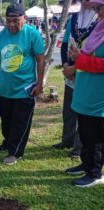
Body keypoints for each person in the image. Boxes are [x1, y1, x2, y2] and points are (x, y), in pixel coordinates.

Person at [0, 3, 45, 165]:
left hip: (25, 89)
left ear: (24, 19)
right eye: (8, 20)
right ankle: (8, 142)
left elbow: (40, 60)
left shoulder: (32, 34)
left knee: (20, 123)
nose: (12, 24)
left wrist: (39, 84)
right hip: (6, 89)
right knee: (6, 122)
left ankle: (15, 152)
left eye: (16, 20)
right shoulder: (0, 37)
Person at [66, 0, 104, 187]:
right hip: (85, 91)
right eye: (95, 9)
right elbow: (91, 57)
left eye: (100, 8)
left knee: (94, 136)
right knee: (85, 132)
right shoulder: (99, 29)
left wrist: (80, 59)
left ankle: (95, 173)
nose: (97, 13)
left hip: (98, 95)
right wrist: (78, 56)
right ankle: (86, 163)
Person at [53, 0, 97, 159]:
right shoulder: (74, 18)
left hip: (86, 73)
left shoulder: (99, 20)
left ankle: (79, 147)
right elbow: (64, 44)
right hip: (70, 71)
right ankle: (67, 140)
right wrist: (65, 65)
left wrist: (76, 69)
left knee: (82, 111)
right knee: (68, 109)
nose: (85, 2)